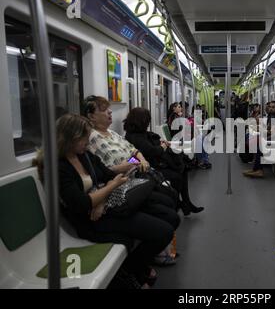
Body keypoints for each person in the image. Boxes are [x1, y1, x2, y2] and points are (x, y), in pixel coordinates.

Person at [52, 114, 180, 288]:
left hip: (108, 204)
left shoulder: (85, 155)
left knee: (170, 216)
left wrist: (105, 194)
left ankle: (136, 268)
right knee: (163, 231)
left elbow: (108, 174)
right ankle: (132, 269)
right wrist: (110, 187)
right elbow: (81, 204)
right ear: (71, 139)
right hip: (91, 219)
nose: (87, 142)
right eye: (84, 138)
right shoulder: (59, 167)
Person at [124, 107, 204, 216]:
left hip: (156, 162)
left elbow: (153, 143)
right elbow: (154, 151)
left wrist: (161, 143)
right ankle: (177, 204)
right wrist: (163, 146)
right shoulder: (135, 137)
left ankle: (186, 203)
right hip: (150, 168)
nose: (148, 123)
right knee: (177, 175)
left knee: (183, 169)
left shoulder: (140, 133)